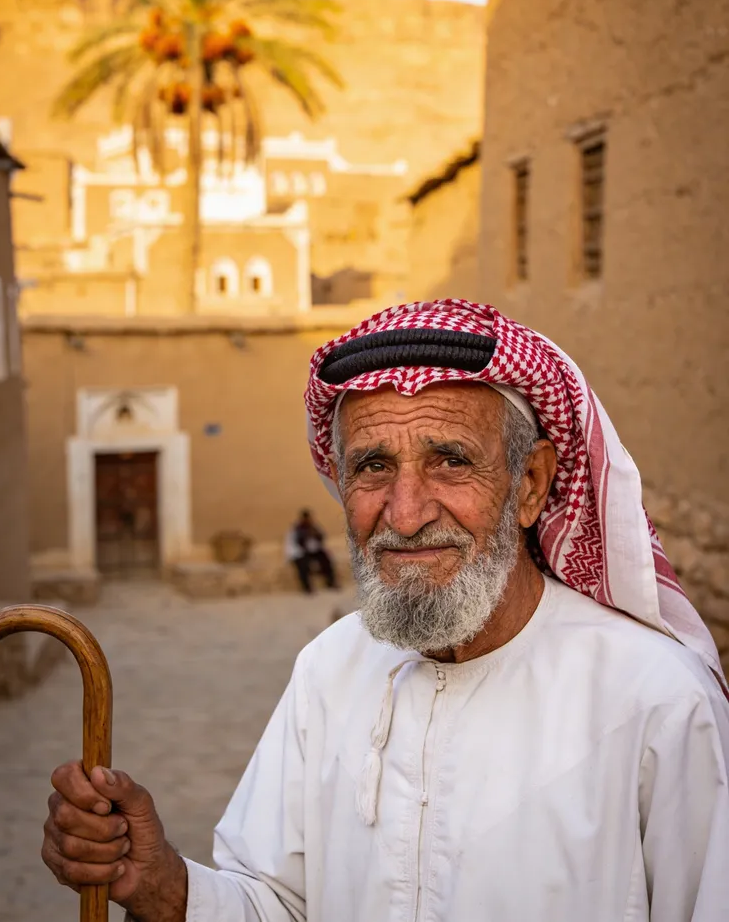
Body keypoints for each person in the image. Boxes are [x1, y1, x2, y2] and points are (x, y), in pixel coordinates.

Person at [41, 299, 729, 922]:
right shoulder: (330, 668)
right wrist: (160, 883)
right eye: (372, 466)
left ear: (530, 485)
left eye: (450, 461)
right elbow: (275, 903)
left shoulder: (658, 701)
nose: (405, 513)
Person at [284, 509, 338, 594]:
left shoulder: (314, 527)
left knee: (326, 560)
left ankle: (331, 583)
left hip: (312, 551)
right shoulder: (296, 529)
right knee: (303, 566)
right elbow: (296, 544)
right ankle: (307, 588)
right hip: (299, 553)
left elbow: (321, 538)